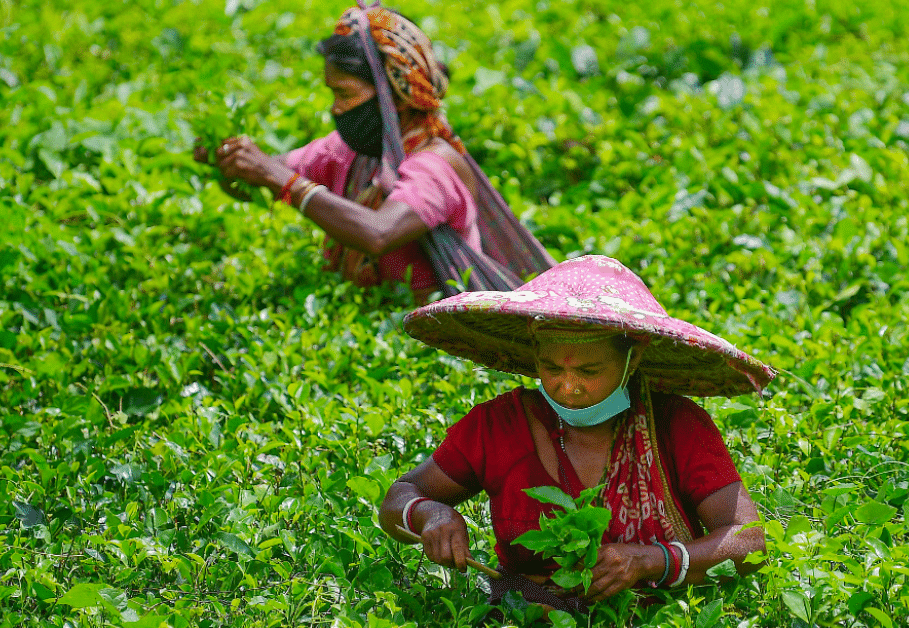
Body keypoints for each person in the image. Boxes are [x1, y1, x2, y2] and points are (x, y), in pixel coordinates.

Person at [383, 255, 776, 610]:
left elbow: (748, 542)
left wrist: (650, 560)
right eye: (552, 369)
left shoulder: (677, 425)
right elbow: (400, 495)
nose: (568, 388)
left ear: (632, 357)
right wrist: (428, 514)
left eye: (589, 372)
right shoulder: (499, 426)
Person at [194, 5, 533, 302]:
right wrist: (230, 161)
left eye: (345, 94)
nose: (337, 109)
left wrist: (281, 180)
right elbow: (269, 169)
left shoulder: (434, 165)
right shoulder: (353, 151)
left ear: (395, 96)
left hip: (427, 340)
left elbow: (378, 232)